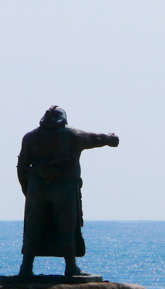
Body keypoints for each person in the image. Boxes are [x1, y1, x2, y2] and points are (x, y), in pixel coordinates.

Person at [16, 106, 119, 277]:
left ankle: (26, 268)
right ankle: (71, 267)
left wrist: (26, 188)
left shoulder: (30, 137)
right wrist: (109, 139)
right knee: (67, 227)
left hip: (36, 188)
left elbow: (22, 166)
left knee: (33, 228)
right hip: (63, 187)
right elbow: (96, 138)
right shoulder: (72, 135)